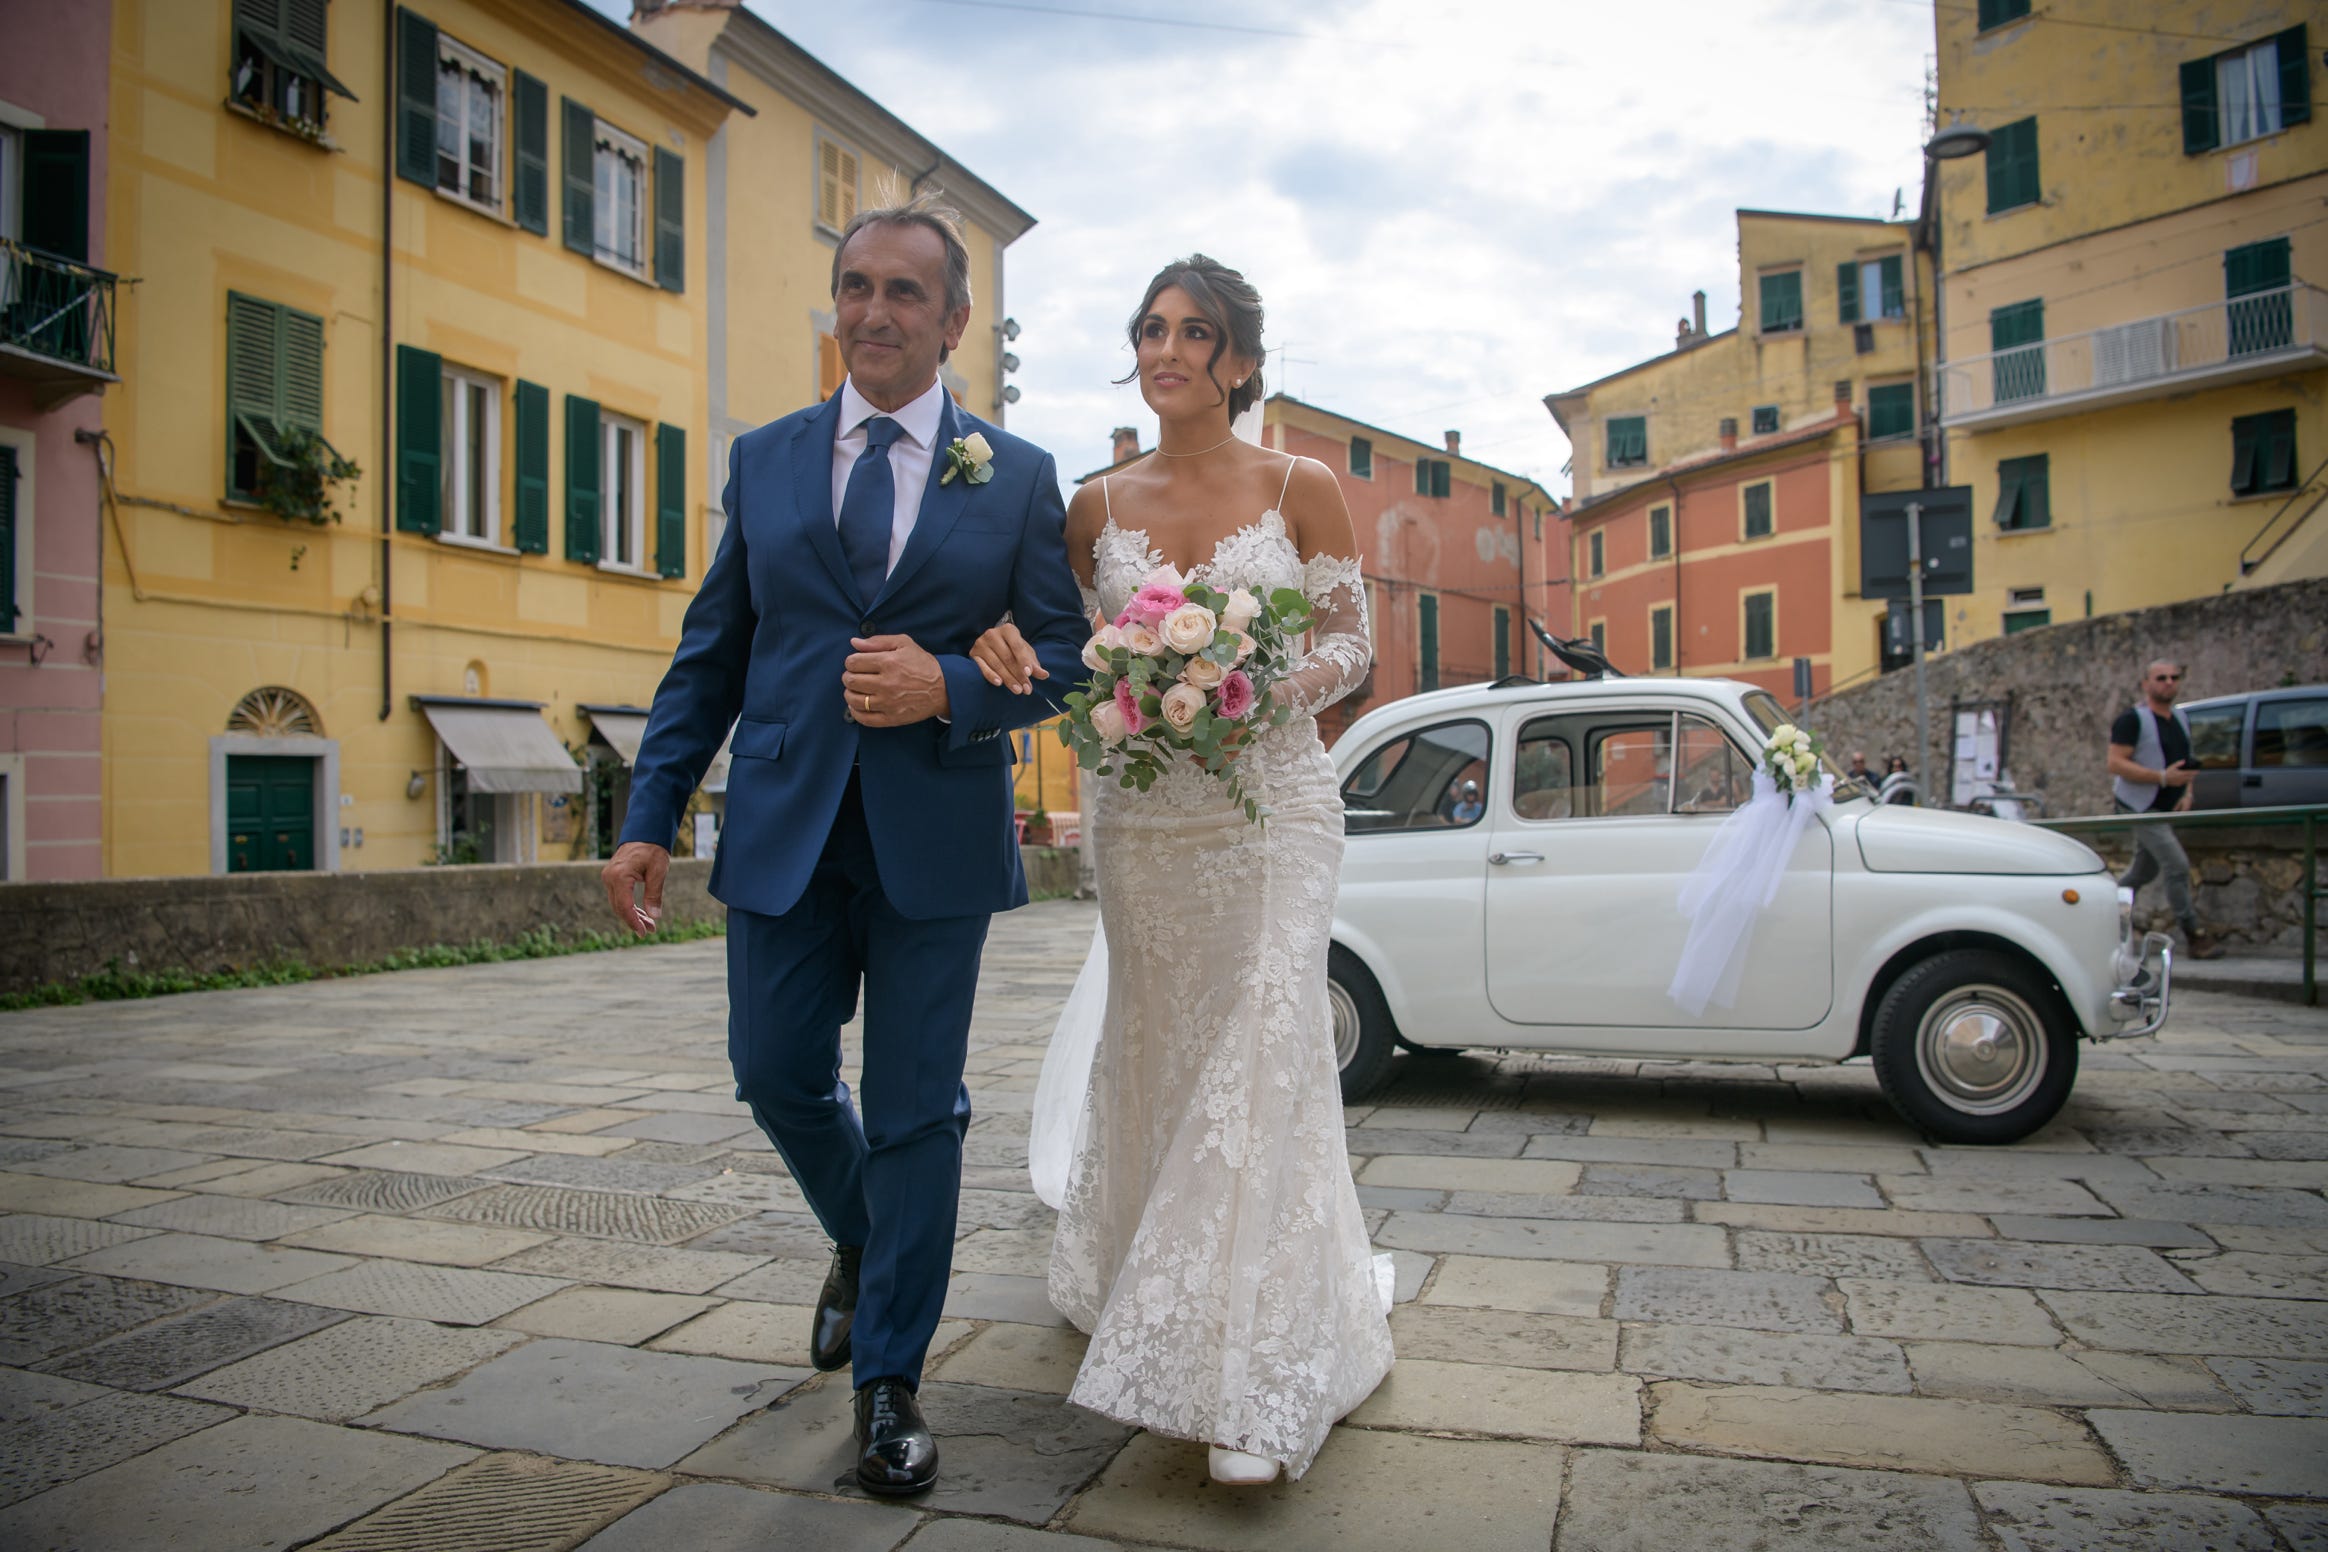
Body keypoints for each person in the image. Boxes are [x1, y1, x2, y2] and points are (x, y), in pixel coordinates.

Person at [599, 193, 1090, 1498]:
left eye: (905, 293)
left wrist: (957, 688)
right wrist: (648, 814)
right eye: (855, 286)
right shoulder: (765, 458)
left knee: (921, 1109)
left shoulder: (1019, 475)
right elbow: (713, 650)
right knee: (772, 1070)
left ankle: (889, 1385)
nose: (874, 312)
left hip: (935, 829)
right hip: (781, 820)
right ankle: (867, 1239)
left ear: (956, 321)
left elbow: (1070, 663)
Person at [967, 255, 1392, 1486]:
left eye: (1196, 332)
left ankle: (1251, 1378)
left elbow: (1352, 645)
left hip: (1275, 812)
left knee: (1264, 1038)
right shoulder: (1094, 506)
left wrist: (1255, 686)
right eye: (1152, 329)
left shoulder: (1301, 484)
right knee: (1162, 1045)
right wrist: (1042, 663)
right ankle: (1151, 1282)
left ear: (1241, 360)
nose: (1169, 349)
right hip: (1147, 824)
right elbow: (1066, 657)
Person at [2107, 659, 2223, 960]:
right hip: (2138, 805)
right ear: (2146, 684)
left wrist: (2186, 790)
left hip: (2162, 806)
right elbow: (2115, 763)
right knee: (2177, 864)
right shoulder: (2132, 720)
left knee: (2143, 871)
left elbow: (2186, 762)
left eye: (2174, 677)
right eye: (2161, 678)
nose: (2168, 682)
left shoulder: (2181, 718)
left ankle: (2104, 910)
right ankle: (2194, 934)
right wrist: (2162, 777)